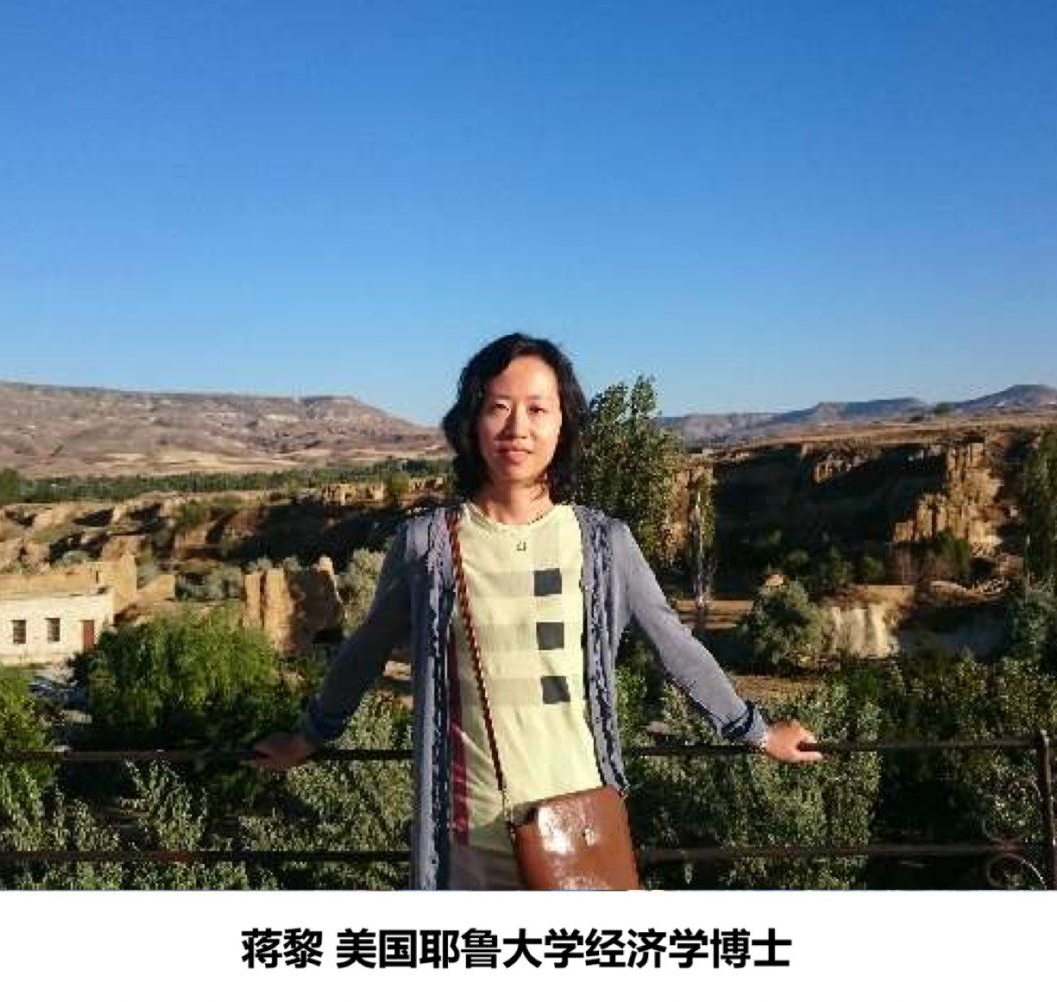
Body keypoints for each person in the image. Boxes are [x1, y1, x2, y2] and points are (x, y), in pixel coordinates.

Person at [254, 333, 821, 889]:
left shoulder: (603, 544)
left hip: (579, 832)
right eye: (498, 407)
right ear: (471, 422)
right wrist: (308, 737)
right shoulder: (428, 545)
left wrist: (757, 732)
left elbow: (675, 647)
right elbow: (365, 652)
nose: (517, 428)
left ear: (563, 424)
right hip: (468, 842)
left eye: (537, 409)